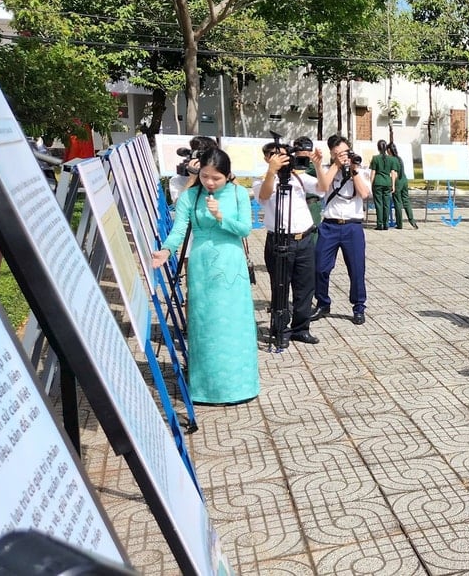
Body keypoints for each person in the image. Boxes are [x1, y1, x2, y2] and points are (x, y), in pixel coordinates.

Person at [152, 149, 258, 405]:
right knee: (205, 324)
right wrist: (166, 250)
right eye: (205, 176)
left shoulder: (238, 194)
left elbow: (245, 228)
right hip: (202, 265)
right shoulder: (190, 196)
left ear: (228, 175)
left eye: (216, 178)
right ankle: (206, 388)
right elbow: (179, 230)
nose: (209, 182)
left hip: (231, 262)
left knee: (234, 325)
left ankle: (239, 386)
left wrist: (221, 216)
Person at [253, 140, 320, 347]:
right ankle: (280, 328)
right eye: (275, 155)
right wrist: (272, 172)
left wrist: (318, 165)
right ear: (267, 158)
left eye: (284, 155)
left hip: (304, 239)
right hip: (279, 240)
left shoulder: (298, 177)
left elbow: (322, 188)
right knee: (280, 286)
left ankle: (301, 329)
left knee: (305, 287)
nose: (282, 159)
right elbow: (263, 196)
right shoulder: (262, 179)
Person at [312, 135, 371, 325]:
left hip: (352, 226)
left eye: (345, 153)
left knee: (356, 269)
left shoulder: (360, 170)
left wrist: (353, 171)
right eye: (337, 154)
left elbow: (363, 194)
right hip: (330, 225)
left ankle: (359, 307)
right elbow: (322, 187)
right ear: (332, 154)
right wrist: (336, 166)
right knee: (320, 267)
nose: (342, 157)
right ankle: (322, 303)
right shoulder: (328, 170)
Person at [369, 139, 402, 230]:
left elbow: (373, 173)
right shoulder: (391, 159)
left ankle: (380, 224)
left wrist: (370, 184)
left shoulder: (375, 158)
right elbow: (393, 173)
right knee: (387, 204)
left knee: (379, 204)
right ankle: (386, 224)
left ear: (378, 148)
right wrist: (393, 185)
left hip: (378, 182)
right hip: (387, 182)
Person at [388, 143, 417, 229]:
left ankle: (399, 223)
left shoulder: (392, 159)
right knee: (406, 201)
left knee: (397, 203)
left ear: (389, 150)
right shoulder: (399, 158)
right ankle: (412, 221)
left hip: (398, 182)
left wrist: (392, 185)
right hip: (404, 180)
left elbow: (394, 173)